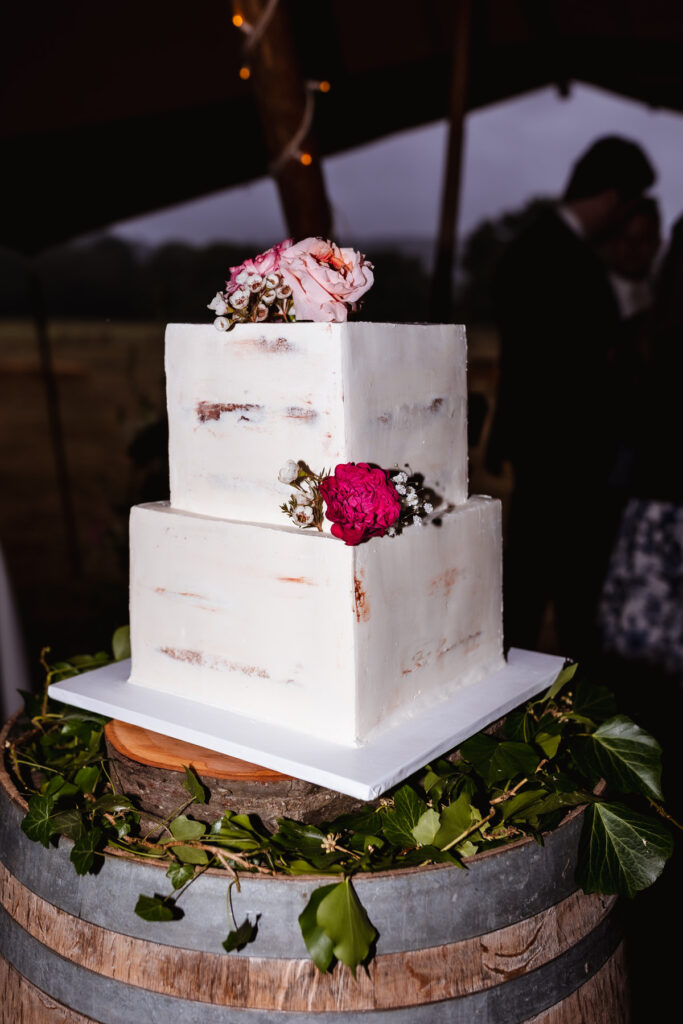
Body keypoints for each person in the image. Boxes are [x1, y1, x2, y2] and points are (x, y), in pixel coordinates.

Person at [487, 136, 656, 660]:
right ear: (611, 197)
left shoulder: (539, 245)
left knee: (538, 587)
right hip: (563, 456)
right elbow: (559, 368)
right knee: (547, 593)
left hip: (552, 452)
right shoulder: (557, 256)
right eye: (627, 205)